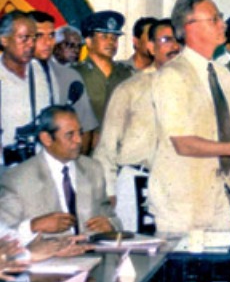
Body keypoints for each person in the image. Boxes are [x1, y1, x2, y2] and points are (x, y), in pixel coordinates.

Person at [150, 0, 230, 234]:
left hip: (219, 193)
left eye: (221, 18)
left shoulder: (223, 75)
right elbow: (183, 143)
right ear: (190, 27)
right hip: (182, 199)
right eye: (215, 19)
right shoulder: (172, 76)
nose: (223, 25)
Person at [93, 19, 180, 230]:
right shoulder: (131, 89)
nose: (174, 46)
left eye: (179, 40)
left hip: (177, 185)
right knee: (134, 246)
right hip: (136, 181)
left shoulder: (192, 90)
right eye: (166, 40)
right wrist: (110, 192)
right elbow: (106, 146)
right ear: (150, 47)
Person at [0, 105, 121, 236]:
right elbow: (4, 233)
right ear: (46, 138)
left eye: (80, 133)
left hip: (91, 247)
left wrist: (110, 225)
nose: (79, 140)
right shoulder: (17, 179)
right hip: (48, 249)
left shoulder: (93, 169)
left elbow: (111, 217)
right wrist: (33, 226)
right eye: (70, 135)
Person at [29, 11, 98, 155]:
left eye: (51, 36)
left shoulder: (70, 76)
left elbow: (85, 127)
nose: (47, 42)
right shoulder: (7, 75)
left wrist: (77, 163)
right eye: (39, 36)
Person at [72, 10, 134, 150]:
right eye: (104, 36)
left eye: (115, 38)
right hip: (85, 150)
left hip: (120, 150)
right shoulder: (75, 74)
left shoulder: (127, 74)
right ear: (89, 41)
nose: (111, 42)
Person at [0, 11, 52, 166]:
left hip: (40, 164)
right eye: (24, 38)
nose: (31, 44)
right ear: (4, 40)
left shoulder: (41, 70)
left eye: (34, 38)